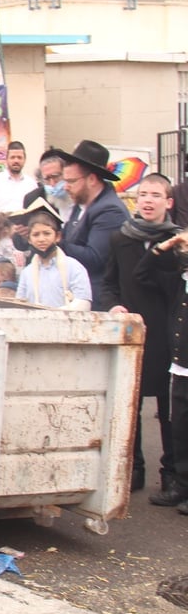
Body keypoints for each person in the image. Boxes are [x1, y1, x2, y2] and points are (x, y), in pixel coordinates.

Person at [98, 173, 179, 493]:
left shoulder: (177, 241)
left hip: (168, 333)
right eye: (143, 194)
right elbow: (109, 283)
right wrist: (114, 306)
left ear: (168, 203)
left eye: (156, 195)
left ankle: (171, 471)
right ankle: (135, 468)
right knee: (131, 404)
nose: (147, 200)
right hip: (134, 331)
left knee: (168, 408)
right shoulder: (122, 238)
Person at [135, 227, 188, 513]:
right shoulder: (177, 282)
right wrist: (165, 245)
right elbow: (142, 273)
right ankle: (181, 485)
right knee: (179, 429)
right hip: (180, 368)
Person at [56, 140, 128, 310]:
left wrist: (58, 243)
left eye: (71, 181)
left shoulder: (110, 210)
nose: (66, 187)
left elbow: (95, 258)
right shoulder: (80, 204)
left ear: (92, 179)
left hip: (96, 302)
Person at [14, 199, 92, 310]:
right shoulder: (27, 273)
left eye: (47, 233)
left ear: (57, 236)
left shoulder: (73, 267)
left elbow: (83, 304)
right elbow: (20, 306)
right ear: (29, 239)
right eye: (36, 235)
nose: (41, 239)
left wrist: (52, 314)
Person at [0, 141, 37, 252]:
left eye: (19, 157)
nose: (16, 160)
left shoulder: (31, 184)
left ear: (24, 160)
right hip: (0, 239)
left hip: (24, 239)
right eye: (13, 157)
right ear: (7, 160)